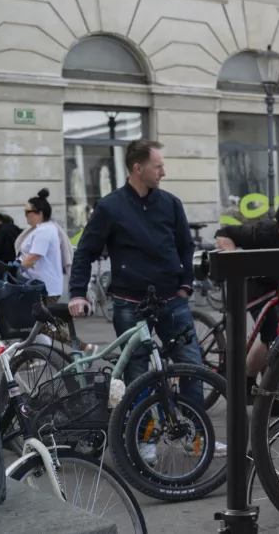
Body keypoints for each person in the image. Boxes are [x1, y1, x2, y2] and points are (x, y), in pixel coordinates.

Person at [67, 139, 212, 463]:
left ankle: (197, 437)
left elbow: (185, 246)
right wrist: (77, 293)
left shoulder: (171, 203)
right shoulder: (110, 207)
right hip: (129, 303)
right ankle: (143, 439)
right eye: (158, 165)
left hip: (172, 300)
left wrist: (186, 285)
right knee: (137, 374)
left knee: (191, 365)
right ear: (138, 168)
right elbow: (86, 251)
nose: (163, 171)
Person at [214, 201, 279, 381]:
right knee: (270, 334)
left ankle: (269, 394)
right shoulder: (260, 233)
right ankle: (247, 383)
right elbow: (223, 233)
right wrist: (233, 264)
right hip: (260, 287)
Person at [17, 189, 63, 304]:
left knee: (42, 321)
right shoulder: (43, 229)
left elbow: (32, 259)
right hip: (38, 285)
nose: (26, 215)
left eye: (27, 212)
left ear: (40, 213)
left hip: (44, 288)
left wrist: (14, 272)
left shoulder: (44, 232)